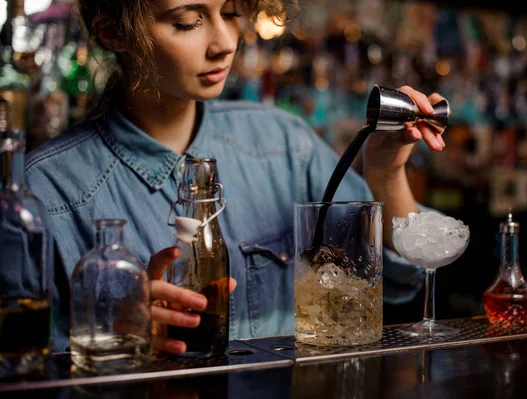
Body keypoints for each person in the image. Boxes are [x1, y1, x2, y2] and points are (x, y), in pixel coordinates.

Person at [24, 0, 448, 355]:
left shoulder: (283, 143)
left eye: (229, 13)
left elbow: (399, 276)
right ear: (112, 32)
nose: (225, 44)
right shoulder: (45, 191)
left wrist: (386, 171)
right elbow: (21, 370)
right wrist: (114, 343)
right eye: (187, 22)